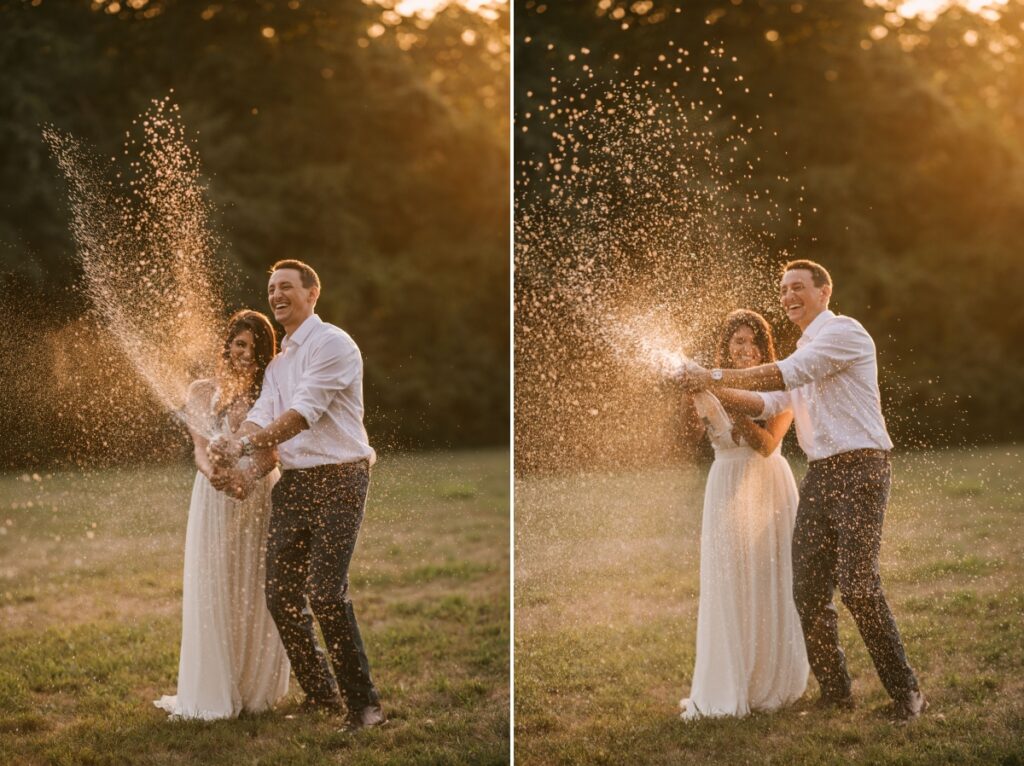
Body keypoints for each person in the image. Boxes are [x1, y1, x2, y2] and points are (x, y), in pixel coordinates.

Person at [677, 259, 927, 722]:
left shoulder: (843, 333)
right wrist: (702, 386)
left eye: (798, 288)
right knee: (808, 589)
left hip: (861, 469)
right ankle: (836, 692)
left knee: (857, 585)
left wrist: (711, 376)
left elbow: (785, 377)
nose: (789, 296)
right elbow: (769, 401)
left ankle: (906, 692)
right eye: (784, 290)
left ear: (824, 292)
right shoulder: (801, 349)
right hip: (821, 473)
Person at [209, 259, 384, 732]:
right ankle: (323, 694)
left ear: (312, 293)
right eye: (271, 289)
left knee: (326, 593)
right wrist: (233, 451)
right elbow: (264, 413)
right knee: (281, 596)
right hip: (297, 482)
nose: (276, 295)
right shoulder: (281, 361)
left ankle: (364, 707)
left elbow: (302, 414)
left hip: (341, 478)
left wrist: (243, 444)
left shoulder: (333, 344)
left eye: (286, 286)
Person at [155, 310, 290, 720]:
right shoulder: (201, 391)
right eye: (238, 343)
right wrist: (213, 473)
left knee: (253, 582)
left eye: (253, 346)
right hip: (211, 499)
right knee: (215, 581)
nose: (244, 353)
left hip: (256, 496)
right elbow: (199, 446)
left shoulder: (272, 393)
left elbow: (272, 454)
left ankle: (253, 689)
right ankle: (215, 687)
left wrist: (245, 480)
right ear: (227, 345)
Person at [679, 309, 808, 720]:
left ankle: (772, 677)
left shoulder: (781, 387)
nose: (746, 349)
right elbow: (689, 439)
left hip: (768, 484)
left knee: (771, 577)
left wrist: (725, 401)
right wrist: (692, 399)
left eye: (754, 342)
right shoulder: (708, 384)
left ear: (765, 349)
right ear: (726, 346)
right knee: (731, 578)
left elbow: (768, 445)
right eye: (738, 341)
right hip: (725, 483)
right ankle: (732, 679)